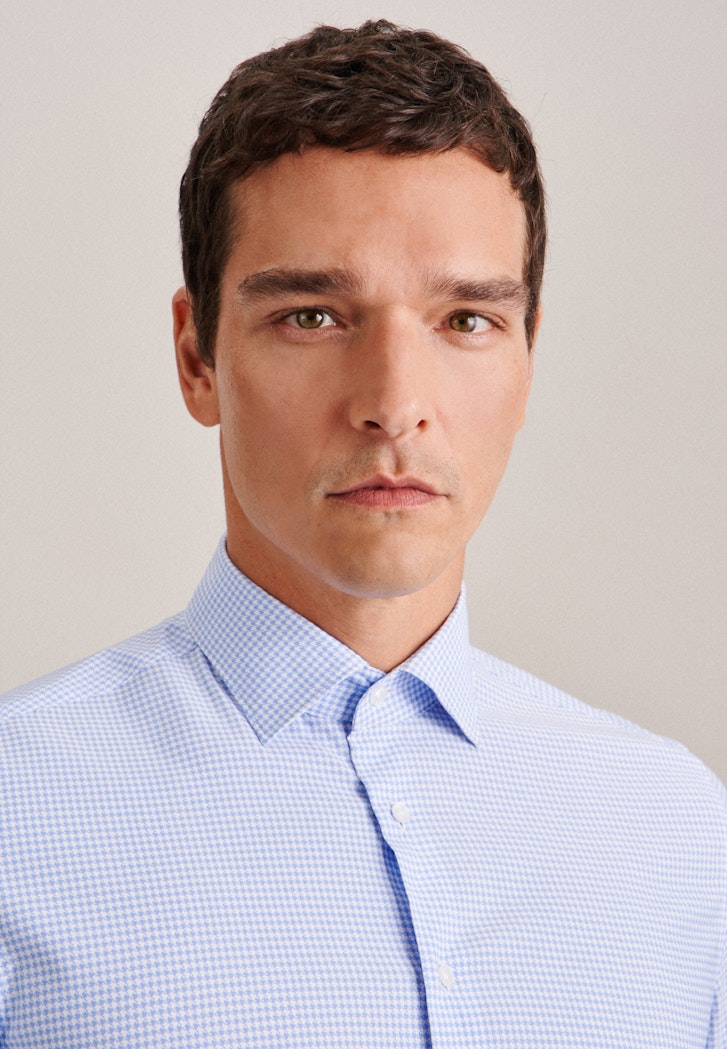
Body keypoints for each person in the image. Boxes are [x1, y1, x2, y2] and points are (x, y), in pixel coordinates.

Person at [0, 19, 724, 1048]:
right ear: (197, 358)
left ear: (526, 358)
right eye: (312, 315)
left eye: (466, 320)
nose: (392, 404)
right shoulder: (19, 814)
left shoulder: (676, 835)